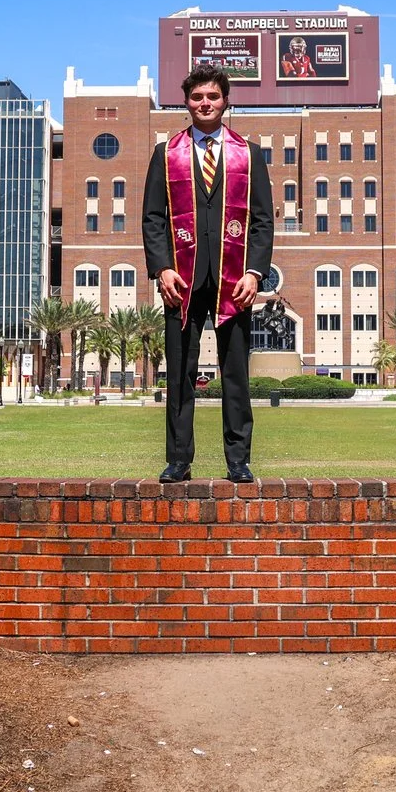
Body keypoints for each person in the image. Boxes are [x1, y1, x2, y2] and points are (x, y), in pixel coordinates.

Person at [141, 63, 274, 482]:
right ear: (186, 102)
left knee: (235, 374)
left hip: (234, 284)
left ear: (225, 101)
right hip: (181, 282)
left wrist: (255, 273)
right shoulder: (166, 153)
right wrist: (162, 268)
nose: (205, 103)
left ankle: (238, 461)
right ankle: (179, 460)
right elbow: (152, 218)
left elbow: (262, 220)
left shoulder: (248, 154)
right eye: (197, 97)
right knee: (180, 373)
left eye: (212, 97)